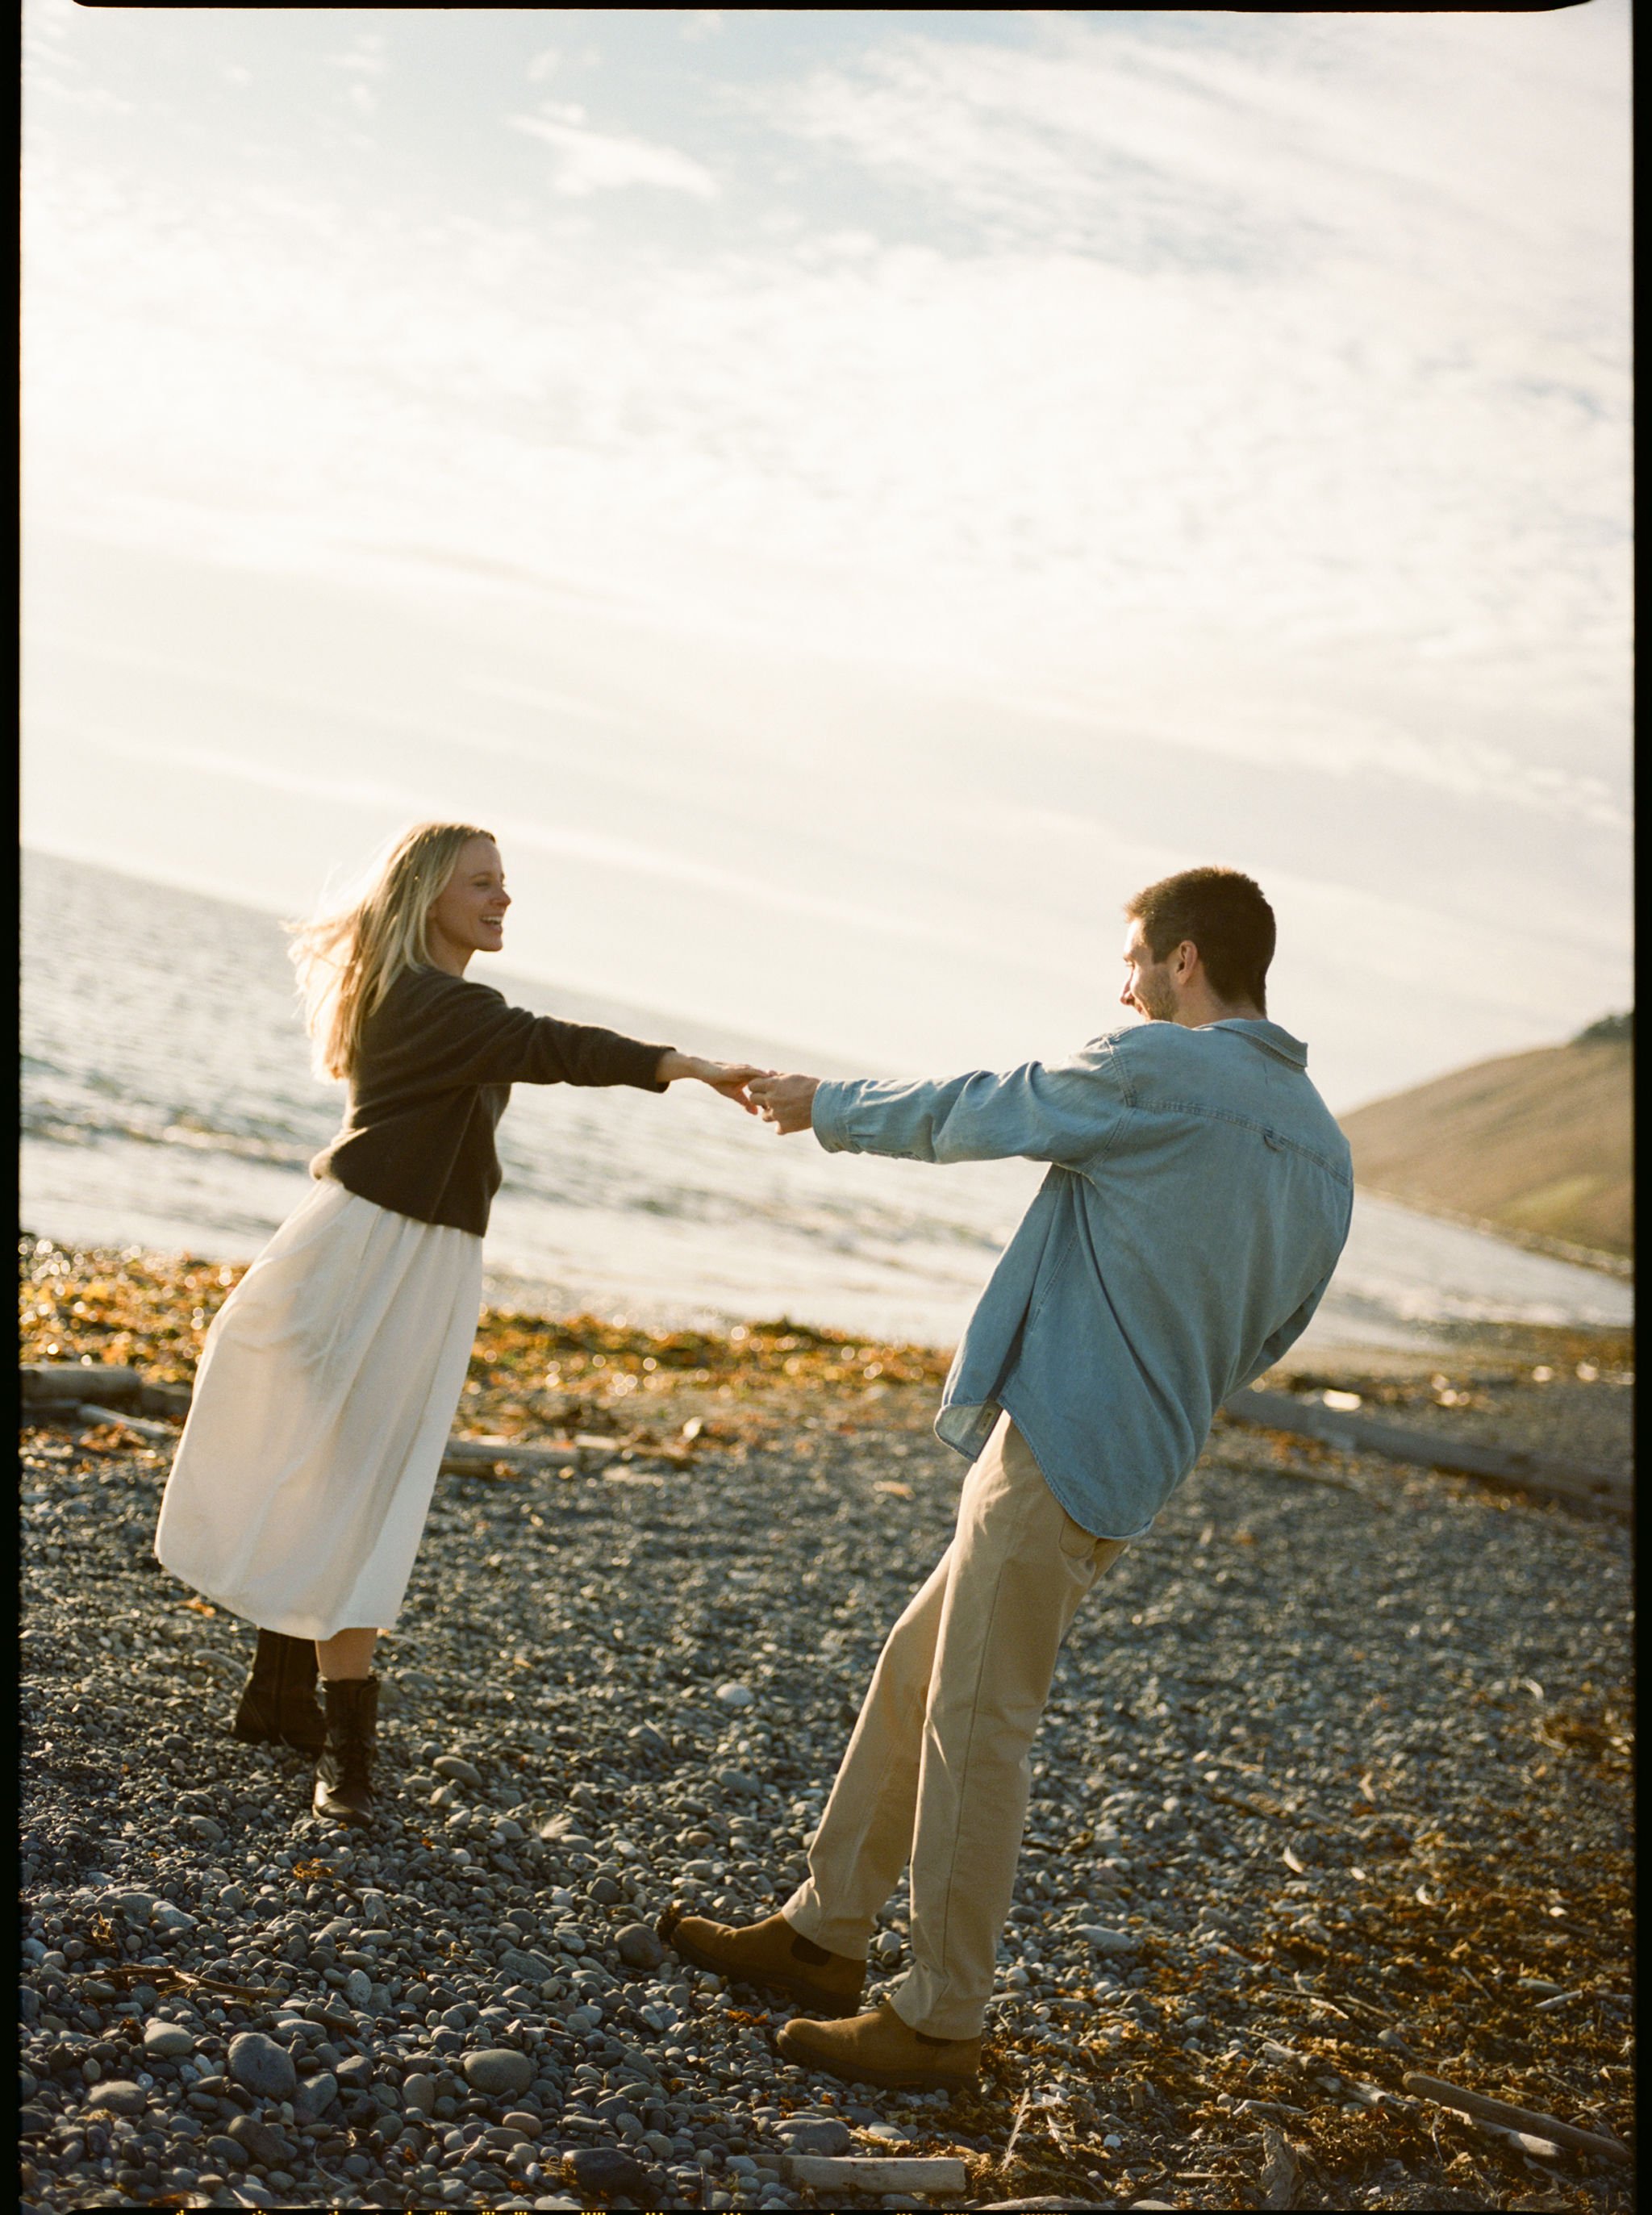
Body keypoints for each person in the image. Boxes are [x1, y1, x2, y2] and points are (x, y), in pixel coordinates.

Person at [657, 866, 1353, 2093]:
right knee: (921, 1668)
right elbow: (1272, 1333)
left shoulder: (1158, 1067)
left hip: (1060, 1447)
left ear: (1185, 960)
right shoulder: (1326, 1152)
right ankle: (825, 1930)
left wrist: (825, 1102)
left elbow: (983, 1107)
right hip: (1131, 1456)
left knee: (979, 1721)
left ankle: (940, 2015)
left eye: (1135, 956)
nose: (1124, 981)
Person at [155, 820, 766, 1829]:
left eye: (504, 881)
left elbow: (530, 1046)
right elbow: (550, 1045)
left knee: (340, 1472)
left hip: (413, 1257)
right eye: (481, 883)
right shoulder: (437, 1003)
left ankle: (277, 1696)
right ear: (429, 896)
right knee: (362, 1488)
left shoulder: (425, 996)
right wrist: (684, 1066)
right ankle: (346, 1754)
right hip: (368, 1255)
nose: (503, 897)